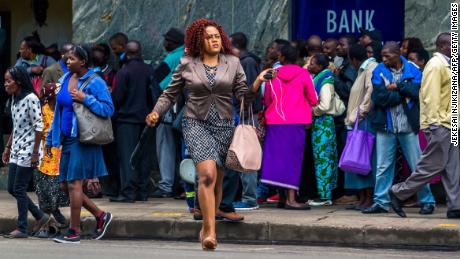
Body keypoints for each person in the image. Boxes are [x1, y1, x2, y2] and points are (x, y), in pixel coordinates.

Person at [145, 18, 269, 250]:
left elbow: (243, 97)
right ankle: (210, 230)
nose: (214, 40)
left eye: (217, 36)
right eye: (208, 37)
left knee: (218, 180)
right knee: (207, 175)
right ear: (198, 41)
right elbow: (169, 94)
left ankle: (207, 225)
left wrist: (255, 85)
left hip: (223, 124)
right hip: (195, 122)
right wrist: (155, 112)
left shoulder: (233, 62)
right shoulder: (186, 63)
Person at [46, 46, 113, 243]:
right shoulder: (64, 79)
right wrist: (51, 139)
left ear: (83, 61)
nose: (67, 62)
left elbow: (108, 108)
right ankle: (101, 216)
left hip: (82, 139)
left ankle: (74, 231)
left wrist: (86, 98)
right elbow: (58, 111)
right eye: (67, 59)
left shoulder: (95, 81)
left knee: (75, 184)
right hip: (65, 139)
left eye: (72, 59)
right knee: (65, 186)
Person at [389, 33, 459, 218]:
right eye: (454, 44)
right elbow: (430, 97)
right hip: (441, 124)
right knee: (431, 166)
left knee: (453, 167)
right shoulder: (436, 66)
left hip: (451, 124)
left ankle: (455, 206)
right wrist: (433, 124)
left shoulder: (449, 64)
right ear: (444, 46)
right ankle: (398, 192)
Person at [362, 42, 436, 215]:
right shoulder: (379, 70)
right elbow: (380, 97)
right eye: (383, 55)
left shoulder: (412, 69)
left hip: (408, 125)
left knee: (417, 165)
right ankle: (381, 202)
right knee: (383, 167)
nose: (384, 58)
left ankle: (427, 201)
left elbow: (417, 92)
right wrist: (402, 92)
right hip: (386, 126)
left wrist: (397, 87)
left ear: (397, 54)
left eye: (387, 55)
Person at [261, 44, 318, 209]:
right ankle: (291, 199)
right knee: (293, 160)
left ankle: (282, 197)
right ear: (298, 59)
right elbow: (313, 99)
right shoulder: (303, 74)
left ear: (282, 58)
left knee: (279, 159)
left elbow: (267, 100)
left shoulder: (273, 75)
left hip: (275, 121)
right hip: (296, 122)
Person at [2, 66, 49, 238]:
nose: (5, 84)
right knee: (12, 188)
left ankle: (22, 228)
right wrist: (7, 147)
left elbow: (39, 126)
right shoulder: (14, 99)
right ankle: (40, 215)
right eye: (5, 81)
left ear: (19, 82)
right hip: (17, 148)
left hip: (30, 149)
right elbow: (16, 126)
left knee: (19, 188)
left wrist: (36, 152)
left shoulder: (31, 99)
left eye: (8, 81)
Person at [110, 41, 154, 203]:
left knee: (127, 158)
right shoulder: (149, 70)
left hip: (127, 121)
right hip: (147, 120)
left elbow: (117, 97)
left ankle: (128, 193)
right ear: (140, 52)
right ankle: (142, 192)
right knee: (143, 157)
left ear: (126, 54)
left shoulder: (124, 72)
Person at [228, 32, 262, 211]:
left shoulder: (247, 62)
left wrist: (243, 113)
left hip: (246, 116)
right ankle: (242, 196)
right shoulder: (239, 62)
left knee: (246, 155)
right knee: (238, 155)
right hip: (241, 115)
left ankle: (250, 198)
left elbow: (249, 92)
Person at [343, 44, 378, 210]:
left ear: (354, 59)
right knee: (357, 159)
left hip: (365, 120)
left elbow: (371, 93)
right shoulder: (362, 69)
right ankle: (363, 198)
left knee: (365, 159)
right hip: (359, 120)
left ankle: (369, 198)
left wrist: (360, 112)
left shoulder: (371, 67)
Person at [151, 28, 185, 198]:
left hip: (169, 108)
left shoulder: (172, 57)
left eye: (166, 40)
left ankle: (166, 185)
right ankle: (183, 184)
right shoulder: (190, 55)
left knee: (165, 146)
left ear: (171, 42)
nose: (164, 43)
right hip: (188, 109)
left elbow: (155, 81)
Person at [34, 81, 69, 238]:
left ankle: (56, 214)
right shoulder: (43, 111)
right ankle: (46, 226)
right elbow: (38, 132)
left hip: (61, 156)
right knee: (44, 192)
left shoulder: (64, 110)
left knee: (57, 190)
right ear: (53, 96)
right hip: (45, 158)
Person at [307, 54, 340, 206]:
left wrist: (312, 111)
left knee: (323, 159)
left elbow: (325, 105)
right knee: (324, 157)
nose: (309, 65)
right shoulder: (322, 77)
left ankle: (325, 196)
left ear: (320, 66)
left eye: (312, 63)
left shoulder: (325, 81)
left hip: (323, 123)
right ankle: (325, 193)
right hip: (322, 123)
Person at [333, 35, 358, 205]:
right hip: (342, 117)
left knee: (347, 154)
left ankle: (350, 192)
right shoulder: (342, 65)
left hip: (347, 117)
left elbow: (348, 91)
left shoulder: (350, 68)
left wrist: (334, 78)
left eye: (342, 45)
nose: (338, 47)